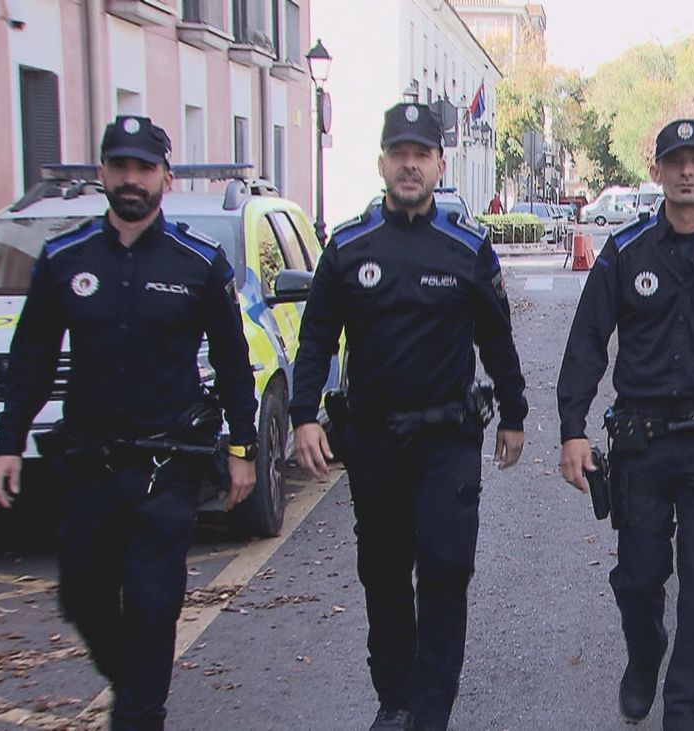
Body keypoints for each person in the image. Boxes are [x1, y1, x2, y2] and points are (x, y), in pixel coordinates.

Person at [0, 115, 259, 731]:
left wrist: (241, 447)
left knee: (154, 603)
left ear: (164, 175)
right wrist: (8, 443)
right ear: (103, 173)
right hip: (91, 463)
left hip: (166, 468)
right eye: (120, 167)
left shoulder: (198, 262)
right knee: (82, 596)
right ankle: (133, 684)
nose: (131, 179)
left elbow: (233, 360)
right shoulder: (64, 259)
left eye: (143, 168)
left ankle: (139, 713)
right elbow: (30, 361)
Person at [289, 102, 527, 731]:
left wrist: (514, 413)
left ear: (439, 164)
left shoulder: (467, 249)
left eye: (422, 154)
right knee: (385, 572)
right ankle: (394, 698)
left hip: (446, 438)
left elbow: (496, 340)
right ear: (382, 163)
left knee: (446, 568)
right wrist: (303, 415)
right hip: (373, 441)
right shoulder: (347, 248)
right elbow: (315, 341)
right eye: (400, 154)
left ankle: (429, 710)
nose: (410, 165)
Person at [556, 118, 694, 730]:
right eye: (675, 160)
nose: (687, 170)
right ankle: (644, 652)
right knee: (638, 579)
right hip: (642, 442)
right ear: (656, 170)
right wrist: (572, 429)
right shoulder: (625, 251)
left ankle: (684, 713)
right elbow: (586, 342)